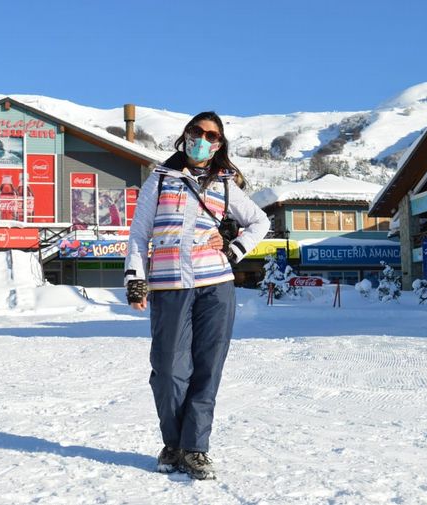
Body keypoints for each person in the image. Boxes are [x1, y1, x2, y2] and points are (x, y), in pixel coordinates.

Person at [125, 112, 270, 480]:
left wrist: (234, 250)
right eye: (197, 132)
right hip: (169, 286)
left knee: (208, 369)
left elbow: (260, 222)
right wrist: (135, 279)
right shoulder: (158, 181)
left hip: (216, 286)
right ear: (185, 135)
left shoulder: (224, 185)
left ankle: (195, 448)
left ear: (219, 145)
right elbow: (140, 235)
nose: (203, 139)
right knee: (169, 369)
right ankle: (173, 442)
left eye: (212, 136)